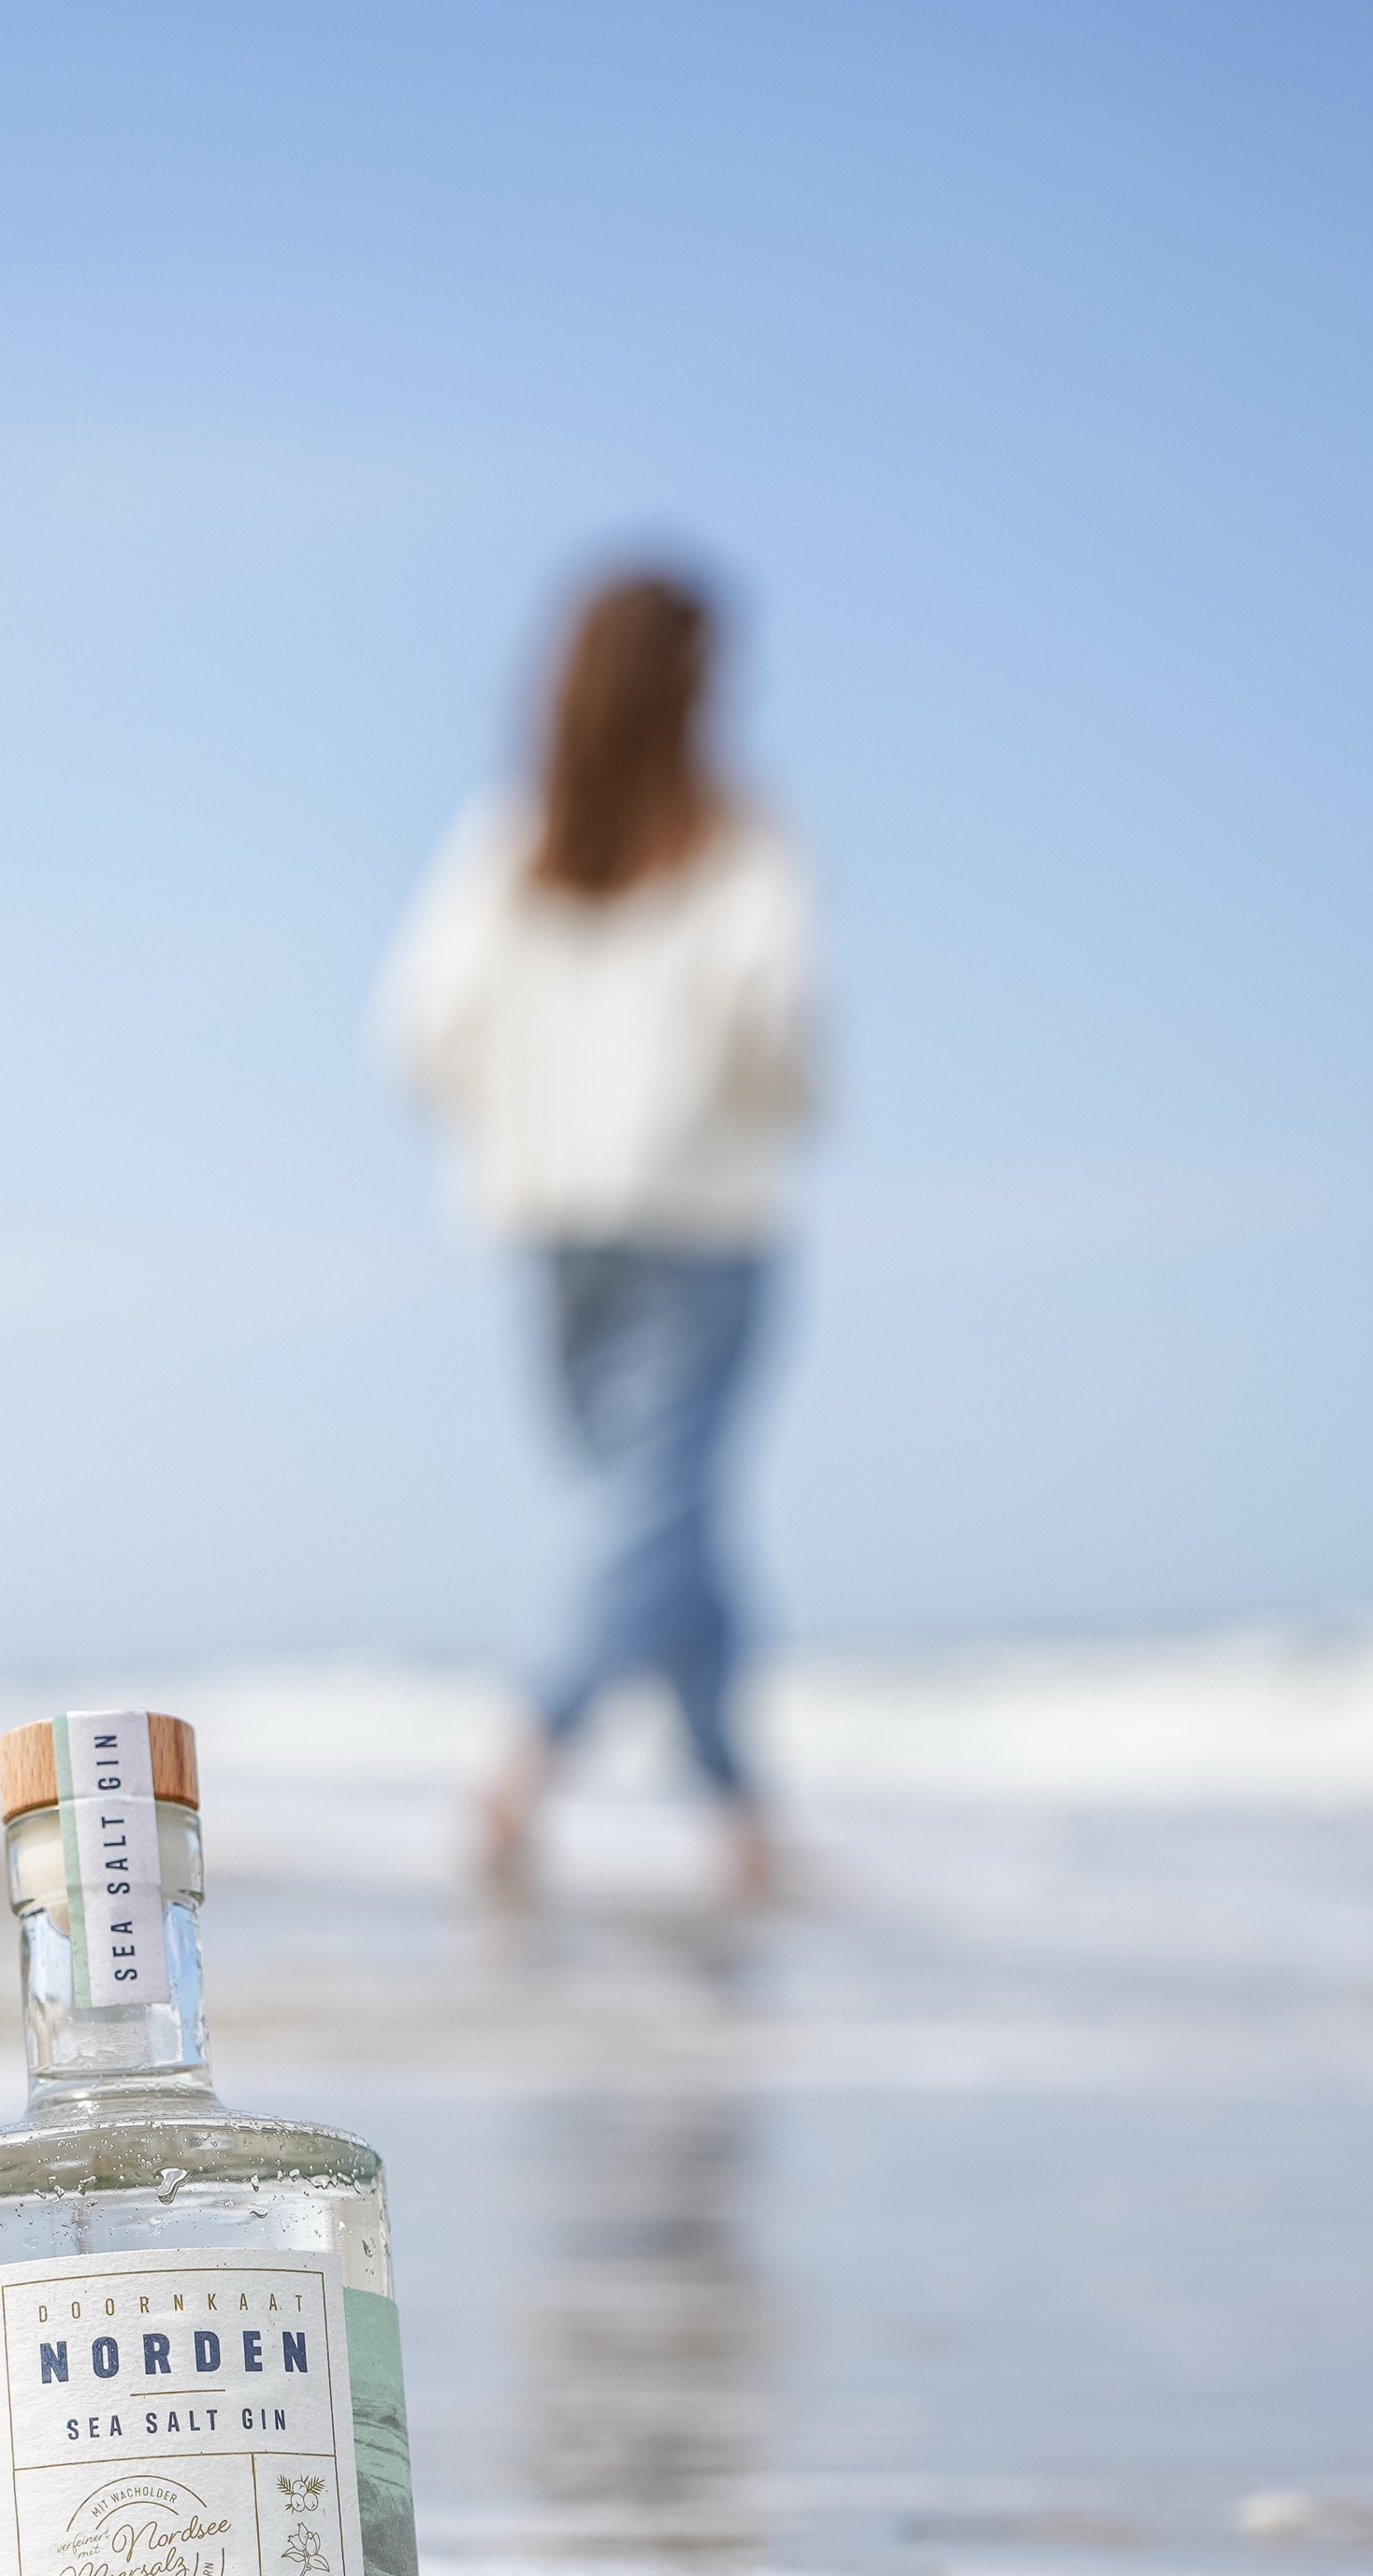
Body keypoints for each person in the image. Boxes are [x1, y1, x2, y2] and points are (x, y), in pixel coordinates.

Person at [377, 565, 817, 1903]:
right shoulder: (736, 842)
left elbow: (417, 1032)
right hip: (707, 1218)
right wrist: (736, 1112)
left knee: (658, 1516)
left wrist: (518, 1129)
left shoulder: (506, 848)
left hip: (552, 1222)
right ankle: (521, 1761)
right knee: (656, 1511)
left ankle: (743, 1815)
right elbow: (783, 1026)